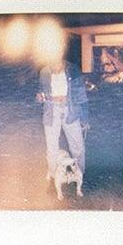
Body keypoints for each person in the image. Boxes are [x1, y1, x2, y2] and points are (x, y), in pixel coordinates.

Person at [37, 56, 89, 198]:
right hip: (51, 111)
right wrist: (42, 98)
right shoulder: (44, 72)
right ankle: (53, 179)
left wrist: (85, 118)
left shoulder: (73, 69)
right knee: (52, 148)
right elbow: (41, 93)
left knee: (77, 146)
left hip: (70, 110)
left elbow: (81, 96)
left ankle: (79, 176)